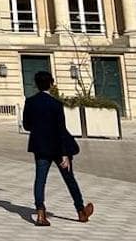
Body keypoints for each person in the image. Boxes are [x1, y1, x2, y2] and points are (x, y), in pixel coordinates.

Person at [21, 71, 93, 226]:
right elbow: (61, 129)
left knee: (40, 180)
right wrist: (65, 153)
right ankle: (81, 212)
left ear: (36, 84)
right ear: (51, 84)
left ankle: (40, 213)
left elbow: (27, 125)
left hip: (40, 147)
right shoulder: (56, 104)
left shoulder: (30, 102)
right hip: (58, 148)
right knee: (69, 180)